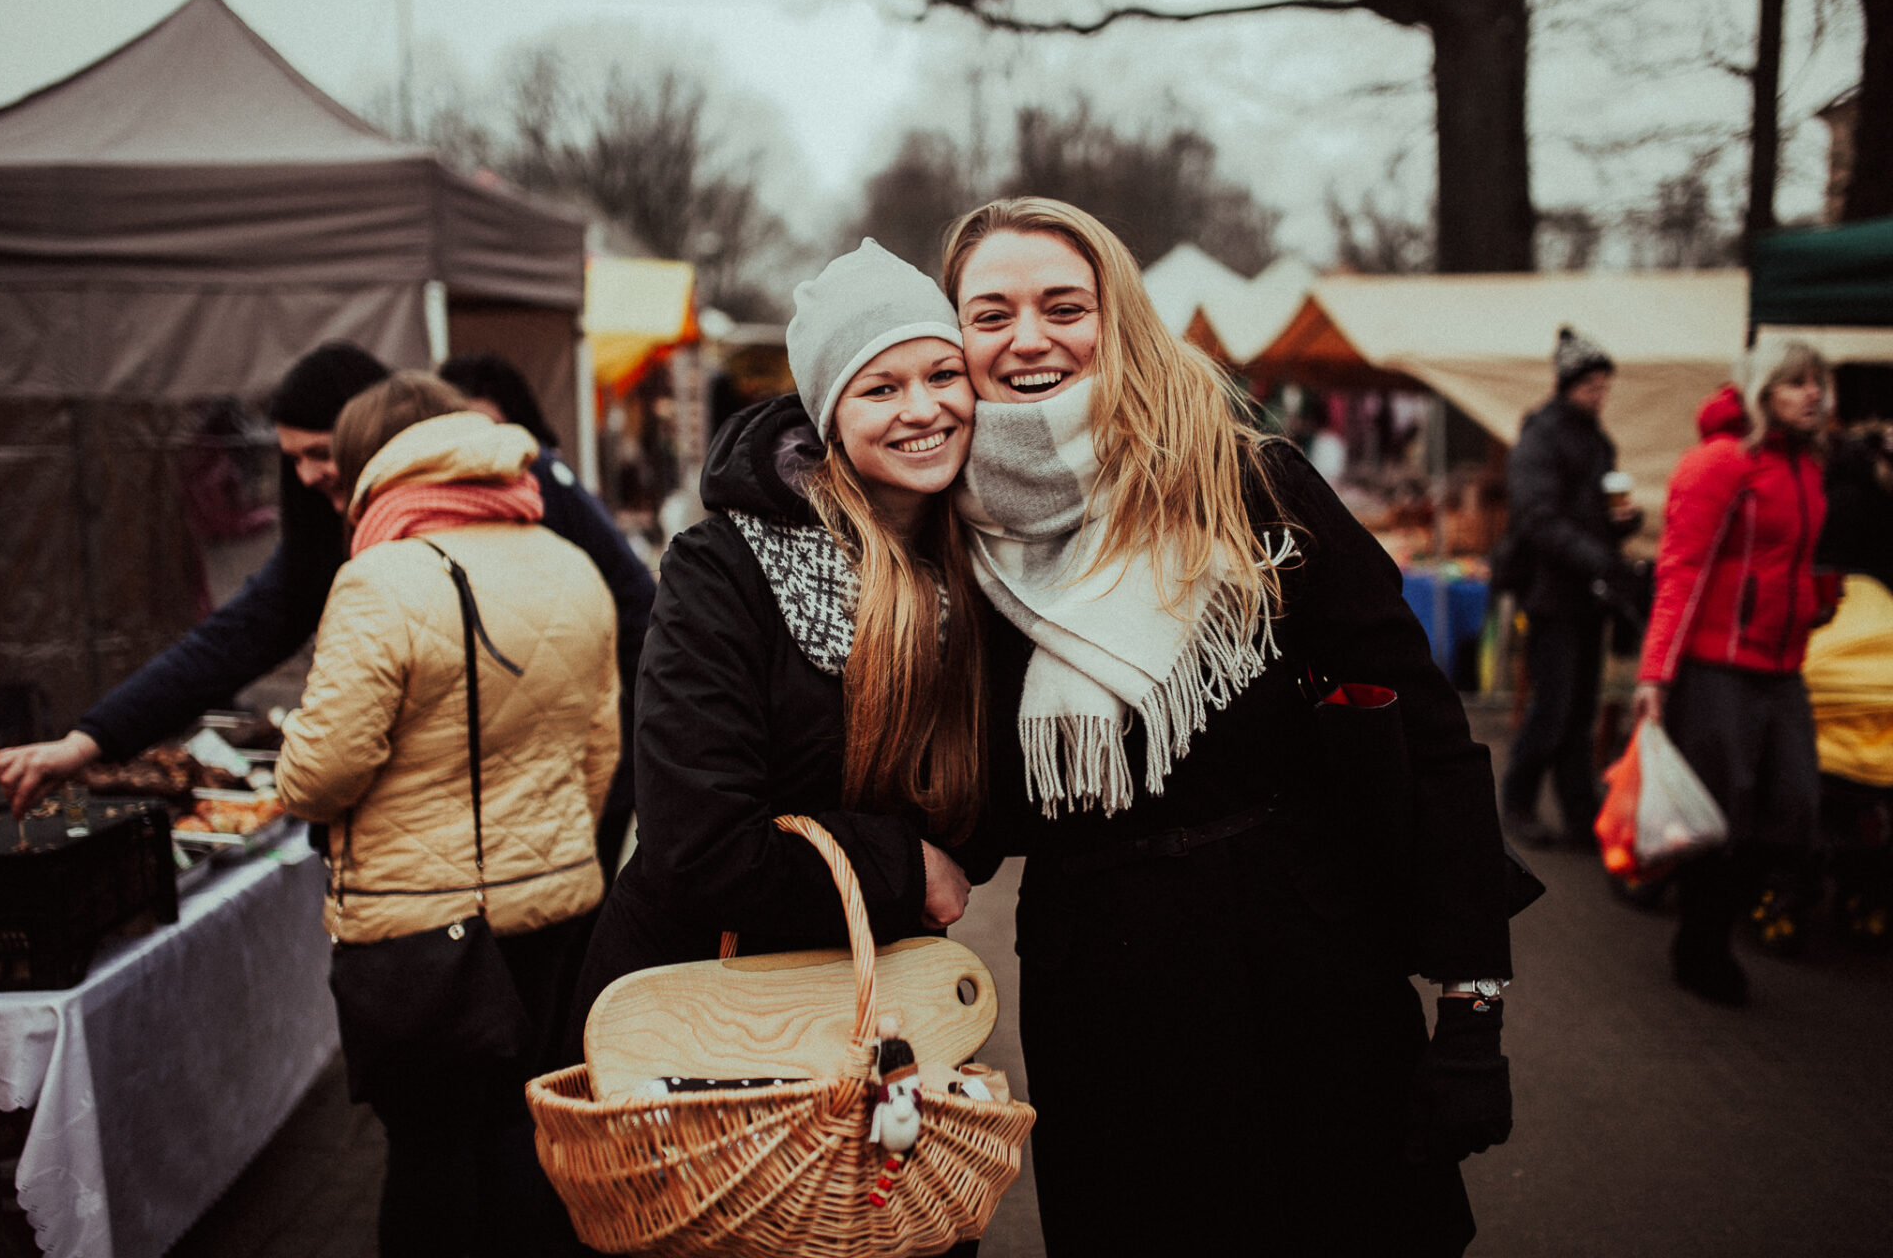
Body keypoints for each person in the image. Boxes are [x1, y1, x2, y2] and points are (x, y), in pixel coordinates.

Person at [942, 198, 1512, 1257]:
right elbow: (963, 792)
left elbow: (1427, 731)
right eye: (991, 313)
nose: (1029, 338)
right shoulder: (942, 533)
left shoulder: (1246, 480)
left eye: (1065, 305)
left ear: (1118, 317)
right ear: (953, 338)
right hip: (1102, 993)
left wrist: (1472, 1003)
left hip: (1305, 964)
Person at [565, 240, 993, 1095]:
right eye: (880, 388)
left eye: (944, 376)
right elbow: (700, 847)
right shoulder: (725, 568)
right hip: (708, 1023)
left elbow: (981, 824)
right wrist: (906, 868)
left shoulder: (980, 568)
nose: (923, 409)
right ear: (829, 417)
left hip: (889, 1014)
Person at [0, 343, 653, 830]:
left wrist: (602, 788)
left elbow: (636, 620)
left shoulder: (528, 486)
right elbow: (232, 639)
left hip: (554, 813)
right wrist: (91, 738)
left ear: (372, 434)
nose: (306, 475)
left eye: (319, 452)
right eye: (293, 458)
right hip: (456, 842)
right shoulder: (334, 538)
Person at [276, 372, 618, 1255]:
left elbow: (318, 780)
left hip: (421, 924)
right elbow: (600, 750)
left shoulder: (380, 577)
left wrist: (292, 743)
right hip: (553, 903)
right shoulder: (570, 562)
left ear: (368, 469)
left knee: (428, 1153)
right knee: (521, 1129)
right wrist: (546, 849)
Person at [1635, 344, 1832, 1005]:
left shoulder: (1807, 466)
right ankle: (1701, 944)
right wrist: (1656, 675)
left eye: (1818, 383)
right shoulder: (1720, 463)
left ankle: (1710, 929)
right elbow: (1681, 571)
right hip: (1717, 666)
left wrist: (1814, 602)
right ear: (1762, 391)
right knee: (1721, 819)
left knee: (1795, 808)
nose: (1814, 394)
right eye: (1797, 383)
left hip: (1783, 669)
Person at [439, 351, 657, 885]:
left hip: (594, 747)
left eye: (486, 425)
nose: (478, 443)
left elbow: (638, 609)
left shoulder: (539, 480)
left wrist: (627, 739)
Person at [1498, 325, 1644, 850]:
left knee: (1581, 709)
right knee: (1553, 705)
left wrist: (1622, 524)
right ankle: (1516, 799)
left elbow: (1590, 513)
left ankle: (1581, 815)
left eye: (1605, 384)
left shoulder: (1597, 436)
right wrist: (1596, 556)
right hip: (1551, 594)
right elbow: (1537, 518)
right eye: (1592, 384)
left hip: (1590, 592)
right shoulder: (1542, 436)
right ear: (1568, 382)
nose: (1600, 393)